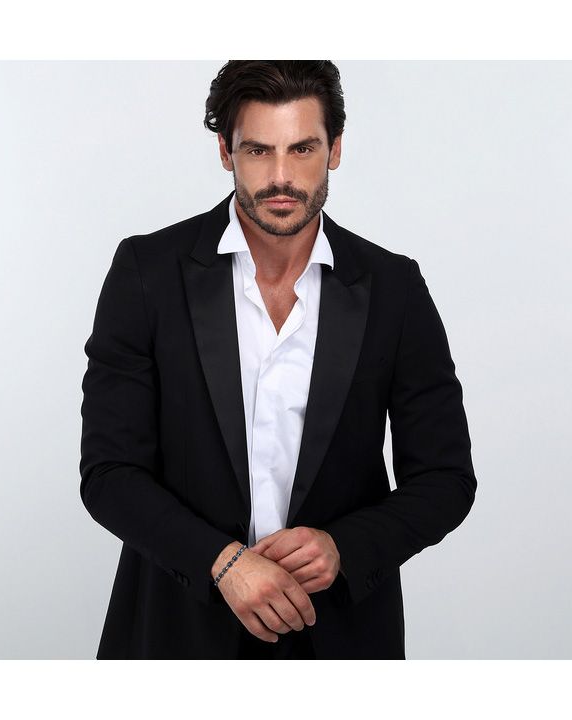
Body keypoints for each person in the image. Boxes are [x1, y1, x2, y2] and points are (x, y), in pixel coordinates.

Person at [79, 60, 477, 660]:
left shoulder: (394, 288)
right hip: (175, 631)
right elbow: (109, 472)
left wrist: (344, 546)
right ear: (226, 151)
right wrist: (223, 563)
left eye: (303, 149)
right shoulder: (147, 272)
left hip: (338, 635)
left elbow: (446, 479)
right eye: (258, 151)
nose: (281, 177)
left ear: (335, 149)